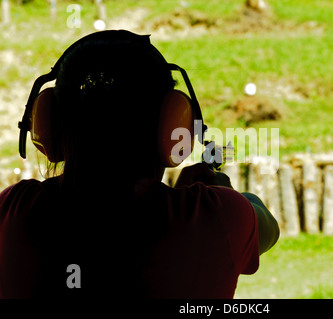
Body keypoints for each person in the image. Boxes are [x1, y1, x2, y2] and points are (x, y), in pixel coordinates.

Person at [0, 30, 279, 298]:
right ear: (173, 124)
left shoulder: (12, 210)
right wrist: (211, 194)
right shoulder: (218, 217)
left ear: (48, 124)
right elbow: (267, 227)